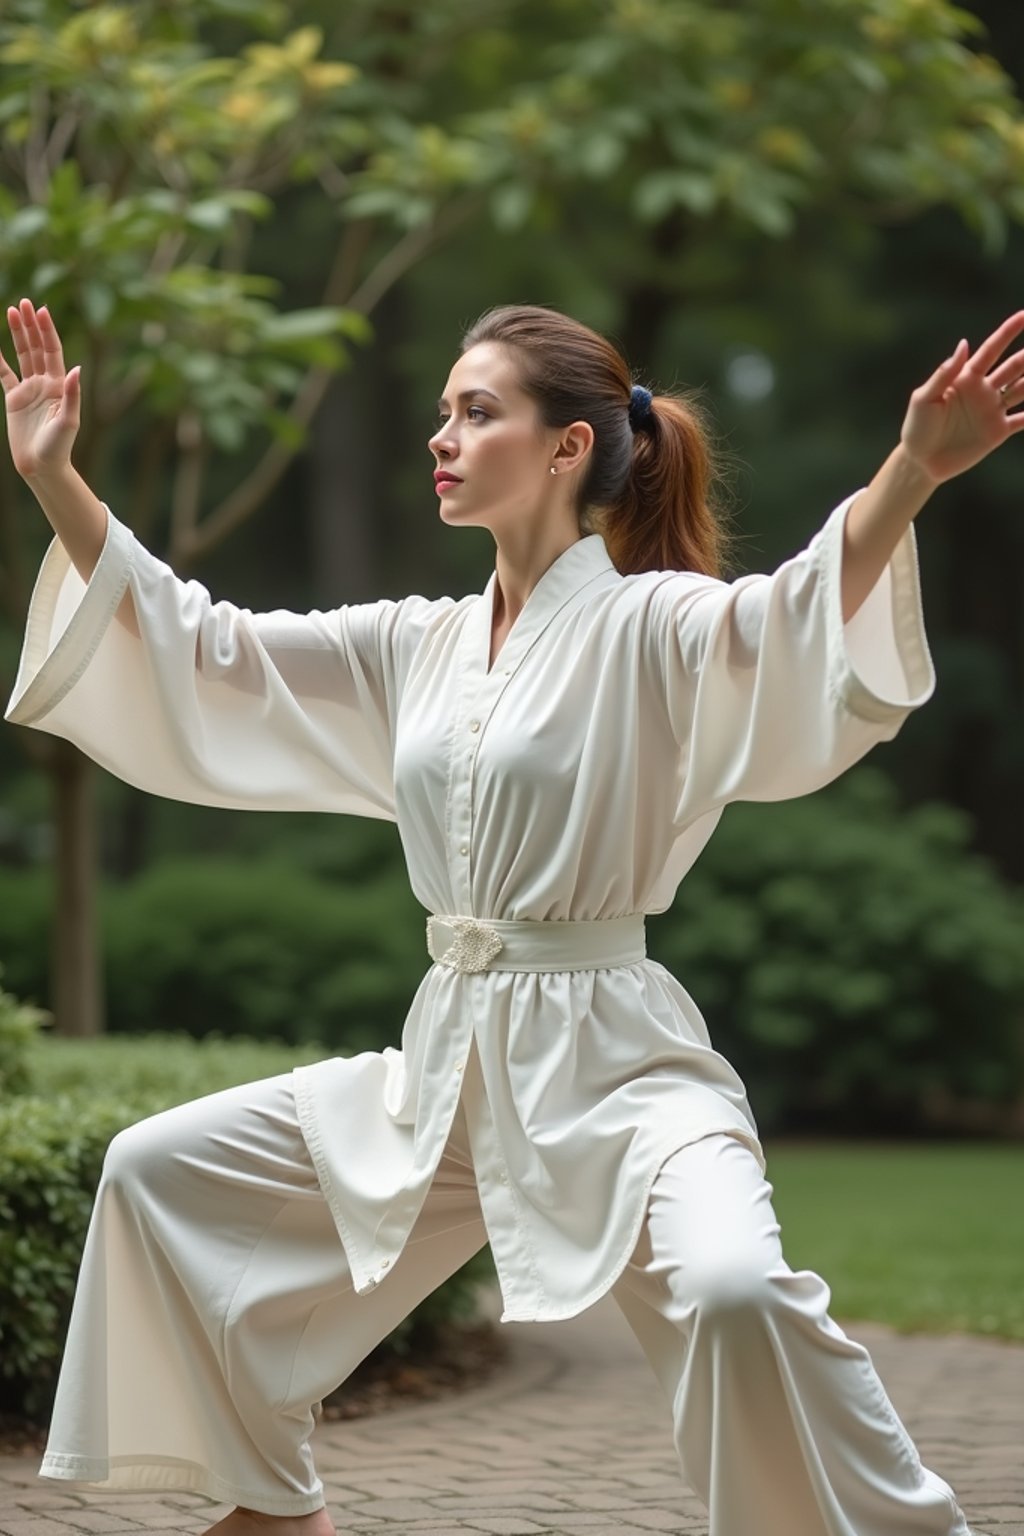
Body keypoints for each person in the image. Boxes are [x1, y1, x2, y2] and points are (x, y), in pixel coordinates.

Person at [3, 293, 1021, 1536]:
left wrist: (911, 470)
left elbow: (795, 614)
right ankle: (267, 1507)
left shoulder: (657, 622)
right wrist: (57, 481)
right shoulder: (412, 647)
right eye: (440, 412)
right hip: (449, 1070)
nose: (440, 435)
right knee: (159, 1173)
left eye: (475, 411)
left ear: (565, 448)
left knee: (735, 1292)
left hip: (620, 1070)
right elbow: (207, 649)